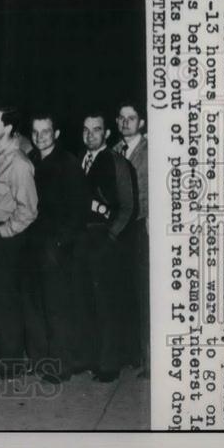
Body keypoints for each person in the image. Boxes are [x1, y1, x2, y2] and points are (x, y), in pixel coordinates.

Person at [22, 112, 89, 383]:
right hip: (32, 244)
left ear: (56, 134)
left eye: (46, 132)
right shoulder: (31, 161)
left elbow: (79, 209)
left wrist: (61, 242)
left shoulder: (68, 163)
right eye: (36, 132)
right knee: (35, 305)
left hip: (56, 247)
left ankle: (61, 366)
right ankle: (40, 361)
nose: (40, 137)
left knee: (57, 308)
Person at [0, 104, 38, 379]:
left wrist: (5, 231)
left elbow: (29, 209)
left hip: (5, 236)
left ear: (8, 127)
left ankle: (12, 361)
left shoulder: (20, 163)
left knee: (5, 301)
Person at [75, 111, 136, 383]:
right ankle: (91, 357)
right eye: (86, 130)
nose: (90, 135)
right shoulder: (79, 161)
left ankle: (110, 364)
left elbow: (129, 206)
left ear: (106, 133)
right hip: (82, 239)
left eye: (96, 130)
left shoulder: (117, 163)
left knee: (108, 304)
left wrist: (111, 237)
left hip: (106, 240)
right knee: (87, 301)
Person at [114, 101, 150, 379]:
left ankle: (149, 360)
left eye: (132, 118)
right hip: (119, 230)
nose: (126, 122)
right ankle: (129, 354)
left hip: (141, 228)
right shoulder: (113, 151)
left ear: (141, 123)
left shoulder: (151, 151)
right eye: (122, 118)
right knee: (123, 292)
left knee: (144, 294)